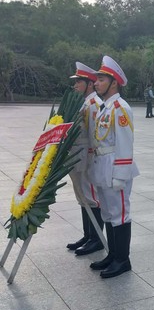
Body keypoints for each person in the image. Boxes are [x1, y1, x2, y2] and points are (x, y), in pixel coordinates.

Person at [88, 55, 139, 278]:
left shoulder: (120, 107)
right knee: (109, 214)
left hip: (115, 169)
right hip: (103, 166)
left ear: (114, 82)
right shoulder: (105, 107)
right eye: (96, 80)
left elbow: (125, 143)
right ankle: (113, 254)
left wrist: (121, 174)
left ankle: (122, 260)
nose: (96, 83)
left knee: (120, 214)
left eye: (100, 79)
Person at [67, 62, 105, 256]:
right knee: (81, 196)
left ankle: (96, 239)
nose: (75, 85)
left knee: (90, 197)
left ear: (89, 84)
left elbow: (94, 136)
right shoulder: (83, 102)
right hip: (76, 156)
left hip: (86, 157)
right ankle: (88, 235)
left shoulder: (93, 105)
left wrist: (92, 161)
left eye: (79, 82)